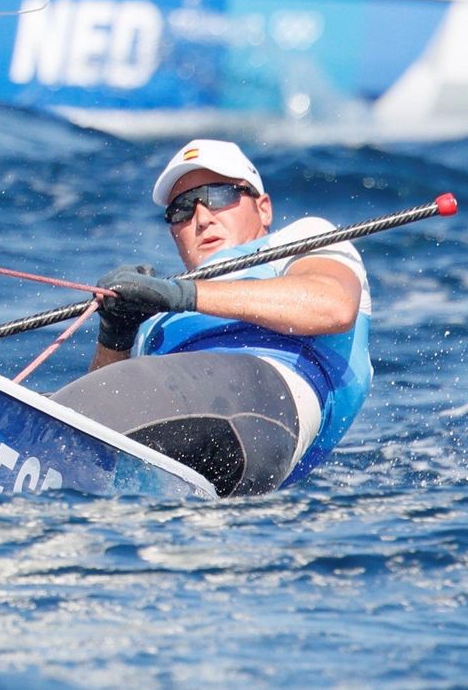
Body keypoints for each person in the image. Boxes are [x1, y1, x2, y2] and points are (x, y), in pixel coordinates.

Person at [50, 140, 372, 497]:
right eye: (182, 209)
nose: (202, 218)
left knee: (61, 432)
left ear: (263, 209)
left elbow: (333, 305)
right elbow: (98, 422)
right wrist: (117, 332)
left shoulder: (301, 237)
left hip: (267, 400)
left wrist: (183, 295)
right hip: (191, 456)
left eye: (219, 194)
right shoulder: (157, 318)